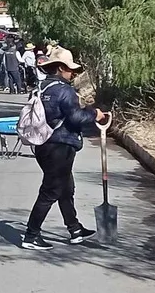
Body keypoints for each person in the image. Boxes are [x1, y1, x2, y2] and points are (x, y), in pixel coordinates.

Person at [22, 47, 110, 251]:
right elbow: (75, 117)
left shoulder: (41, 88)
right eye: (71, 70)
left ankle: (75, 229)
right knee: (51, 190)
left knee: (66, 187)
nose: (73, 74)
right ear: (61, 68)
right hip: (60, 146)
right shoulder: (64, 90)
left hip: (42, 145)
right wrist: (94, 115)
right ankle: (31, 235)